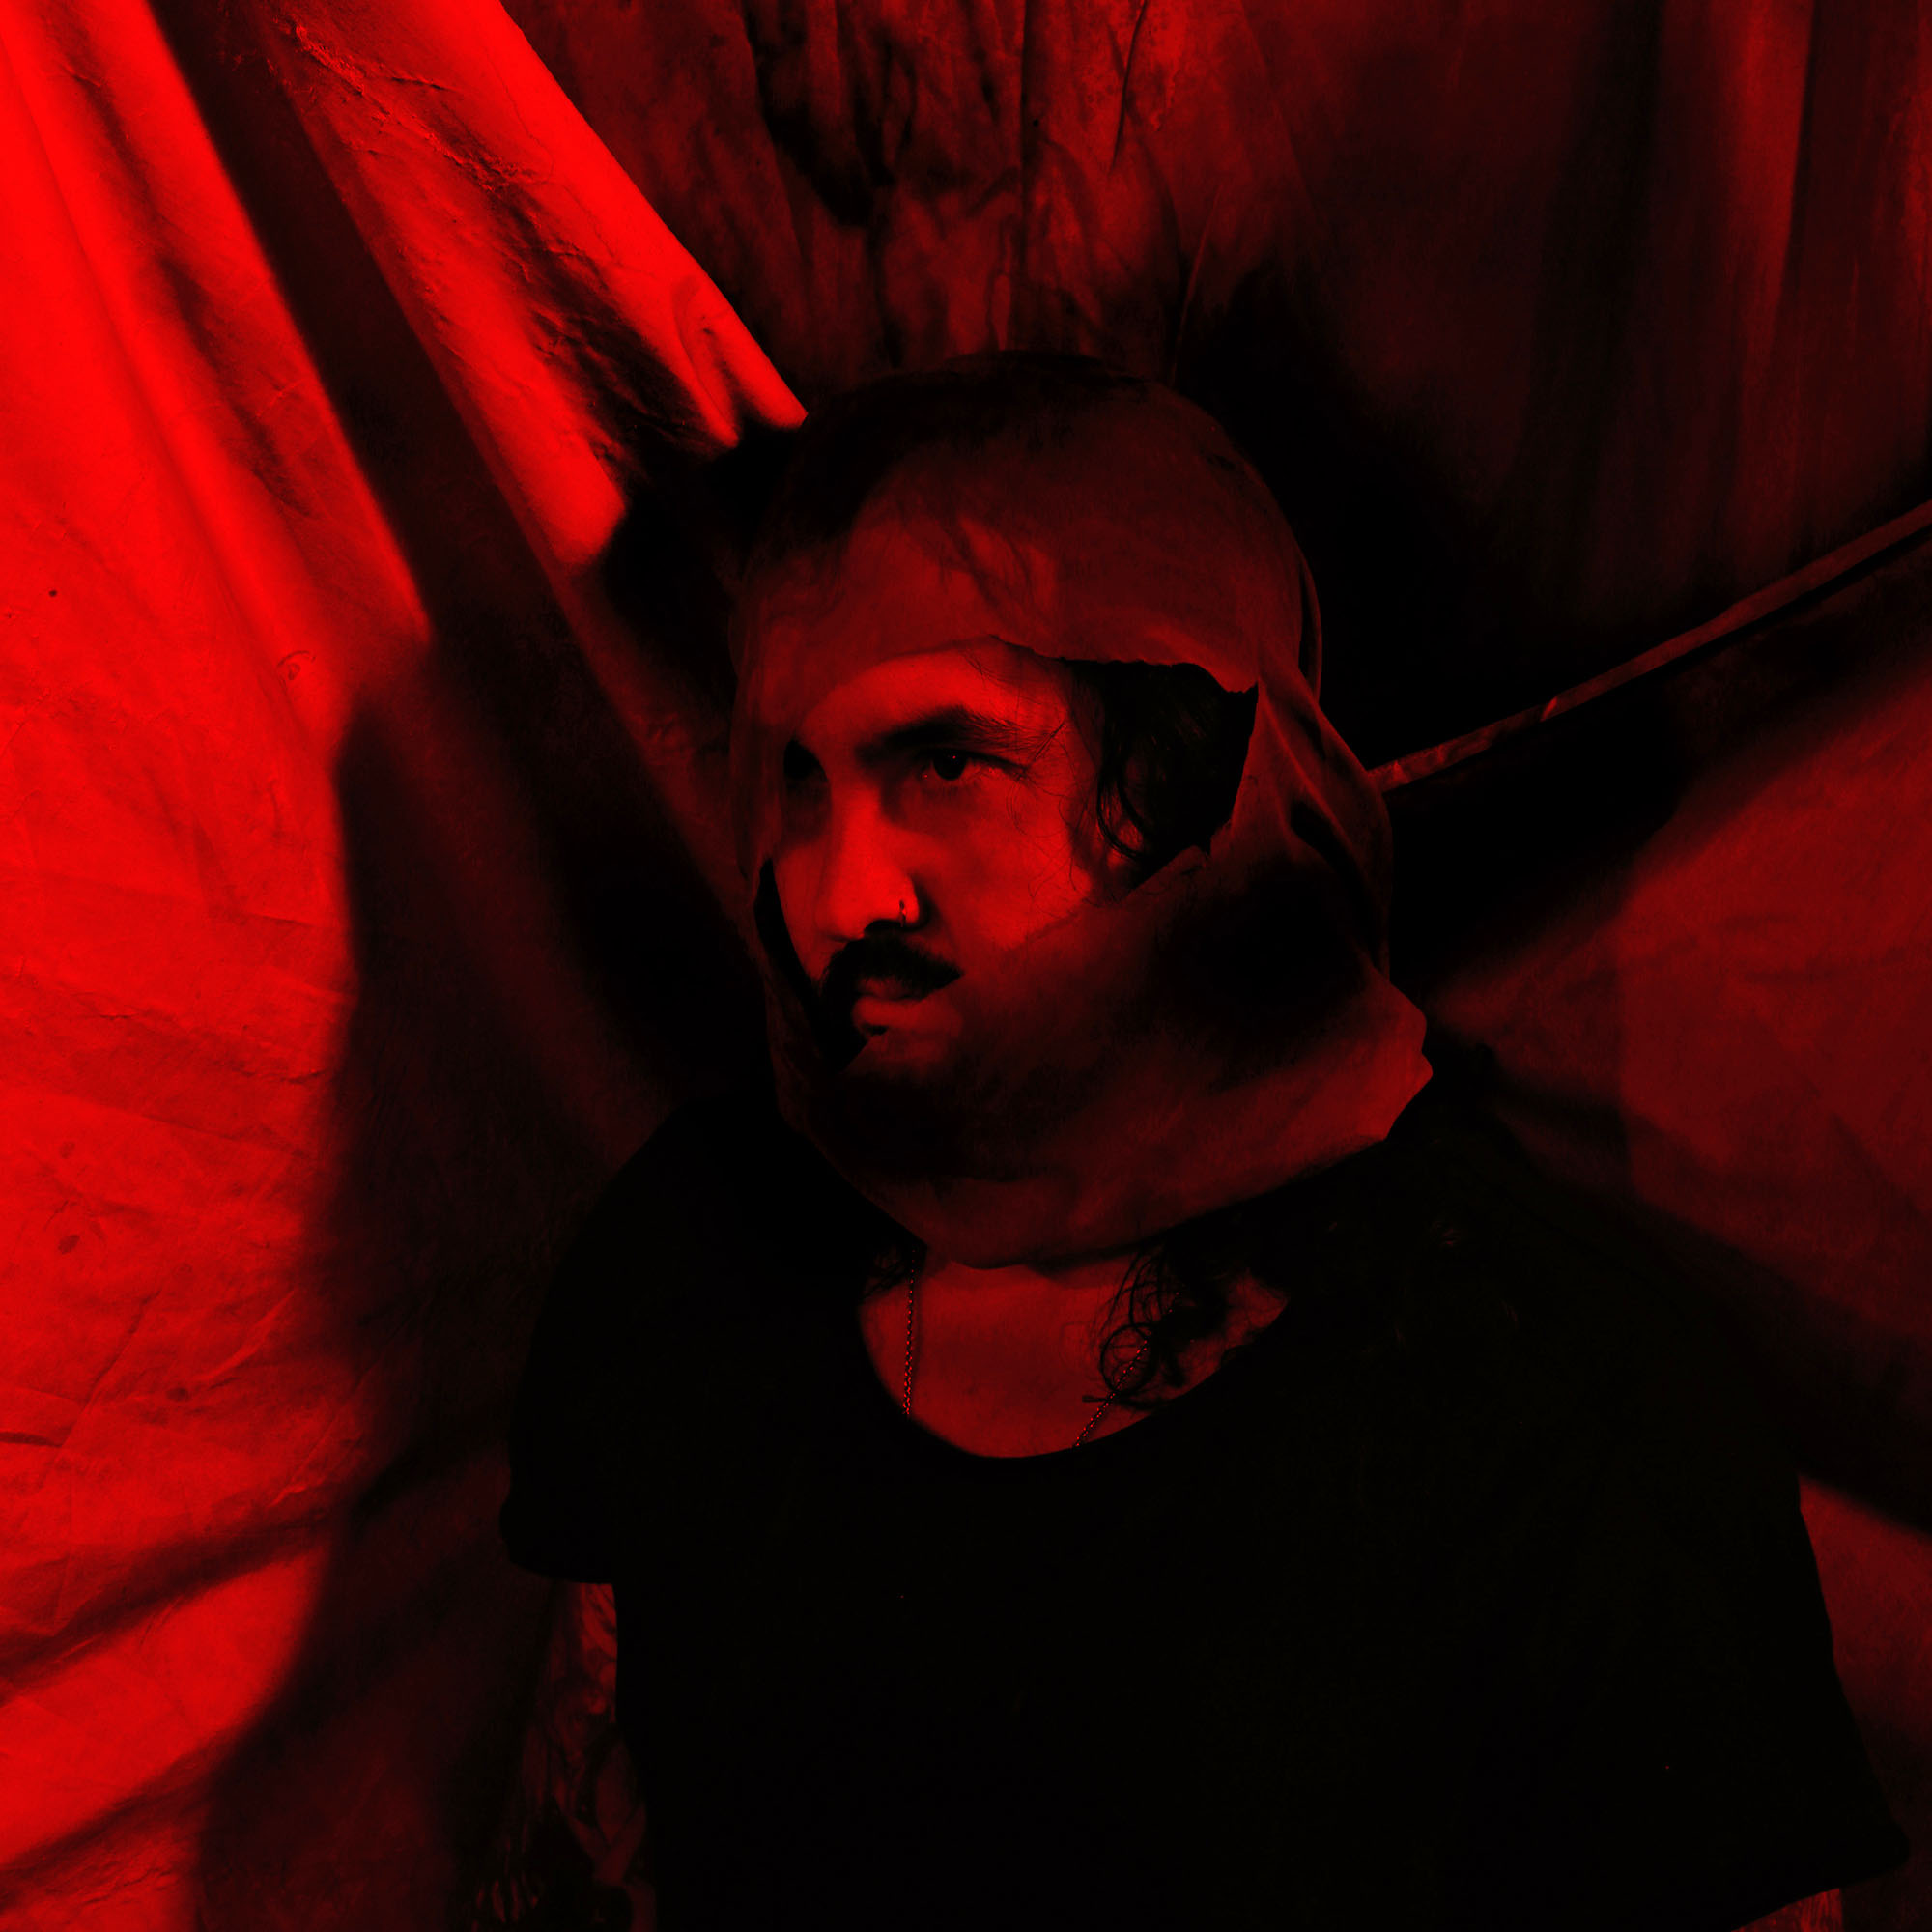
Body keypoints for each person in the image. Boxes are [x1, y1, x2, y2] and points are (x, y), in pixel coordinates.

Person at [477, 356, 1905, 1931]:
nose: (836, 894)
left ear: (1186, 775)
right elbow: (571, 1875)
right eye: (800, 783)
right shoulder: (696, 1256)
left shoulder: (1562, 1411)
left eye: (947, 764)